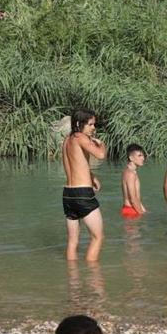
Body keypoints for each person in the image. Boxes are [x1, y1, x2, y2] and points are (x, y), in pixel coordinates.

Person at [62, 109, 108, 261]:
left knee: (72, 241)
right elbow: (100, 155)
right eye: (90, 125)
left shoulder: (67, 140)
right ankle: (93, 276)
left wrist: (92, 176)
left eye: (94, 125)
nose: (94, 128)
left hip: (68, 194)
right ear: (78, 124)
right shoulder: (81, 137)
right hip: (83, 194)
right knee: (98, 237)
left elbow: (76, 163)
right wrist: (101, 144)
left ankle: (73, 279)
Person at [121, 144, 147, 219]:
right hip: (130, 211)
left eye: (143, 155)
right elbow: (133, 199)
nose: (143, 158)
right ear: (131, 158)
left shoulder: (130, 172)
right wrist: (141, 213)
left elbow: (137, 198)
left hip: (133, 209)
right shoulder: (130, 174)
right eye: (139, 156)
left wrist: (143, 210)